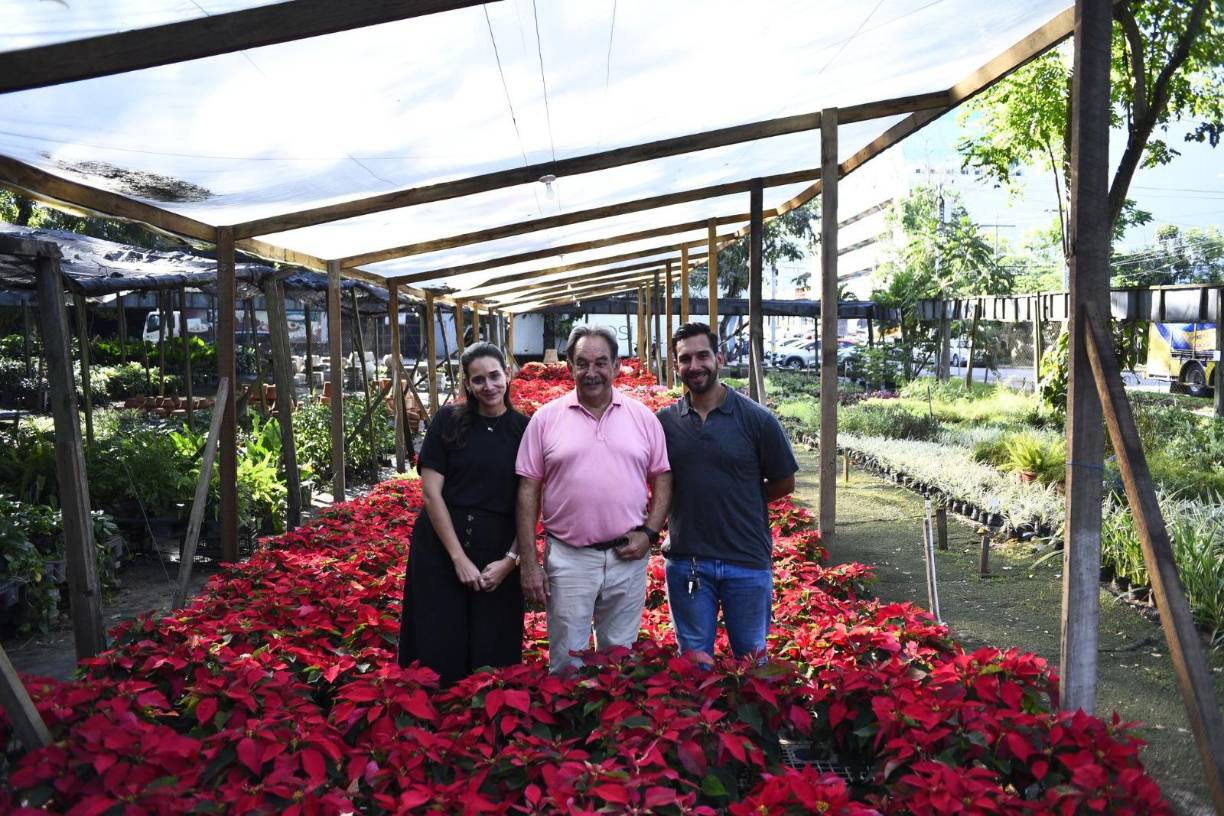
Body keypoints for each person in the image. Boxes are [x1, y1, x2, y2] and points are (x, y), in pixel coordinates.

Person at [515, 325, 672, 673]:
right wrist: (529, 562)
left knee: (619, 660)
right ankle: (571, 727)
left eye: (601, 362)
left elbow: (662, 477)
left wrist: (649, 533)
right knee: (567, 662)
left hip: (627, 558)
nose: (592, 372)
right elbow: (528, 491)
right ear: (569, 367)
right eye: (582, 363)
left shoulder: (643, 418)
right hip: (569, 560)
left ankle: (610, 728)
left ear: (617, 366)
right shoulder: (545, 420)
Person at [656, 322, 798, 662]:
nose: (695, 365)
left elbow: (784, 481)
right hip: (688, 563)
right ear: (676, 366)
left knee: (751, 661)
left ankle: (750, 717)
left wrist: (741, 497)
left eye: (702, 355)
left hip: (746, 561)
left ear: (718, 357)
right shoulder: (664, 423)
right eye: (685, 358)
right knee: (693, 663)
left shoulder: (757, 420)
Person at [398, 342, 529, 686]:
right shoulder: (448, 421)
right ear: (467, 385)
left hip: (498, 550)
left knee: (494, 644)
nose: (489, 386)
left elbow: (531, 501)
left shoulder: (525, 429)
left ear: (508, 374)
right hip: (440, 547)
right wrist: (458, 558)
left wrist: (511, 559)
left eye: (495, 376)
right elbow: (431, 492)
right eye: (478, 380)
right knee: (438, 640)